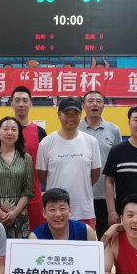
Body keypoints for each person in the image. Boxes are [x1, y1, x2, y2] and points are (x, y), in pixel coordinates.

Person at [37, 97, 101, 227]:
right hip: (55, 213)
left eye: (75, 114)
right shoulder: (46, 142)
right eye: (67, 113)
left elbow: (95, 173)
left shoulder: (91, 142)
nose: (71, 118)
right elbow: (42, 175)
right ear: (58, 115)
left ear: (80, 115)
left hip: (84, 211)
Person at [0, 116, 34, 238]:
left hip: (19, 213)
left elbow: (28, 191)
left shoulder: (26, 158)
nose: (10, 133)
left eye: (14, 129)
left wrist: (15, 212)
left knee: (17, 248)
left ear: (19, 134)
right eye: (6, 129)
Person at [78, 90, 122, 236]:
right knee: (82, 236)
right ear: (83, 105)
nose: (94, 105)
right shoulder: (76, 129)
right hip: (81, 194)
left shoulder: (114, 130)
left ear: (104, 105)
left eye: (98, 101)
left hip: (106, 196)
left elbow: (118, 162)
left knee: (107, 237)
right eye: (90, 101)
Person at [10, 86, 46, 230]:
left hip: (33, 195)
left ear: (31, 103)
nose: (21, 104)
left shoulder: (40, 132)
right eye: (17, 100)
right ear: (11, 103)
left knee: (35, 235)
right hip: (8, 194)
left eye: (25, 101)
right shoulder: (3, 130)